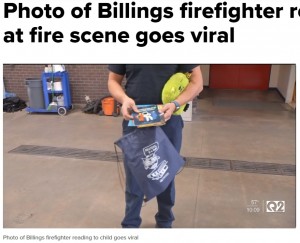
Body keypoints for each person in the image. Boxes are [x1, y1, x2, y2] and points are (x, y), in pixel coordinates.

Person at [108, 64, 203, 228]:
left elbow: (197, 82)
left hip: (168, 118)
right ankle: (131, 224)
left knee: (165, 174)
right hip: (135, 118)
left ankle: (165, 220)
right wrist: (124, 99)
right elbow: (113, 81)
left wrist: (175, 103)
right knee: (134, 176)